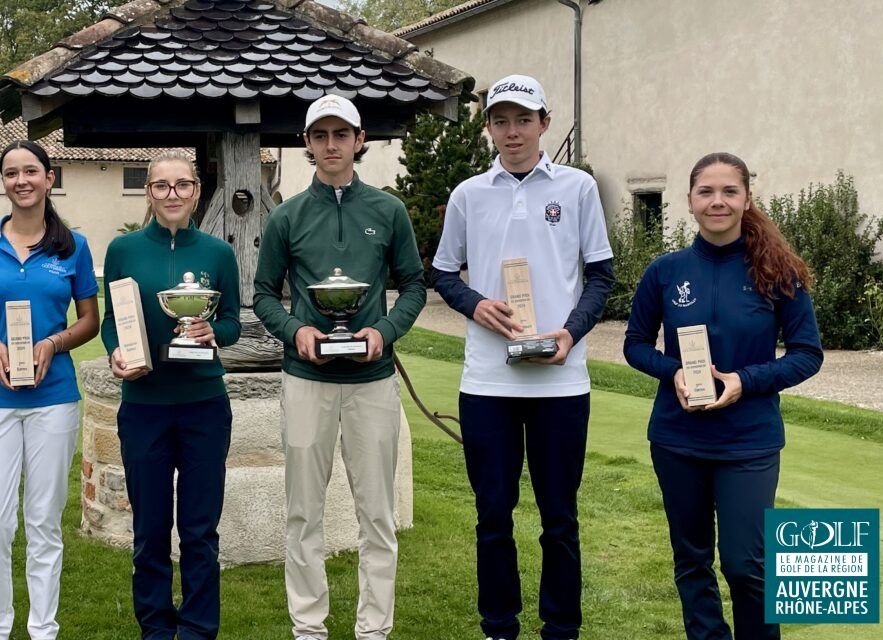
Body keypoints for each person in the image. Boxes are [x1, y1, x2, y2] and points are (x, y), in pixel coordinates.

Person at [430, 74, 614, 640]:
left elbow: (601, 276)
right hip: (487, 383)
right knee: (493, 518)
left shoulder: (578, 188)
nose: (513, 132)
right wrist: (476, 304)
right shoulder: (468, 194)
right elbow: (440, 272)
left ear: (545, 124)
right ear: (488, 127)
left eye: (524, 120)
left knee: (559, 520)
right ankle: (498, 626)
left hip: (560, 383)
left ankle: (560, 628)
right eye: (501, 120)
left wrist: (570, 334)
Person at [623, 152, 822, 640]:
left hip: (749, 442)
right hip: (677, 438)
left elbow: (806, 354)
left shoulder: (778, 273)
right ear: (689, 201)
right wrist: (672, 372)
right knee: (692, 561)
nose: (718, 201)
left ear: (747, 199)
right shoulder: (665, 272)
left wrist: (744, 381)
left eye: (729, 192)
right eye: (706, 192)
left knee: (746, 564)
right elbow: (634, 345)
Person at [252, 93, 426, 640]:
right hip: (307, 382)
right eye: (320, 135)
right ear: (307, 144)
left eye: (341, 134)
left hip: (372, 383)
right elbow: (262, 295)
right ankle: (309, 627)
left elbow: (414, 286)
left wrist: (384, 331)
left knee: (377, 515)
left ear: (359, 140)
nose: (332, 145)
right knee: (304, 512)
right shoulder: (286, 216)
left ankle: (374, 628)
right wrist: (297, 330)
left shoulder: (388, 209)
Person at [0, 140, 100, 640]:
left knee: (43, 521)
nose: (22, 180)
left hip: (53, 398)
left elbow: (89, 321)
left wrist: (53, 344)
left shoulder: (73, 246)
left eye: (31, 171)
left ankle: (42, 629)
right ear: (3, 182)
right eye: (11, 173)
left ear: (49, 177)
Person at [99, 150, 241, 640]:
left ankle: (199, 629)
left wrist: (211, 332)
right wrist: (118, 353)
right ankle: (157, 628)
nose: (173, 194)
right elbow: (111, 320)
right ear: (149, 193)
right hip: (144, 408)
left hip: (204, 405)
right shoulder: (124, 250)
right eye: (162, 186)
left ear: (197, 191)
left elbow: (233, 324)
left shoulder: (219, 254)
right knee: (151, 532)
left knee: (200, 532)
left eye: (182, 185)